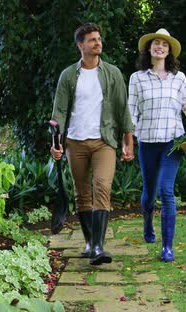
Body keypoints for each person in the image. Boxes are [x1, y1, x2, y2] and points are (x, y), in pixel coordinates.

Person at [50, 23, 134, 265]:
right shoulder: (68, 75)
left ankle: (98, 246)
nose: (98, 43)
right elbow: (59, 113)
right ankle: (89, 243)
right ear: (80, 45)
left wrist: (128, 142)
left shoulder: (113, 73)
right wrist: (55, 142)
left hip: (104, 141)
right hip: (75, 142)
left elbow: (122, 110)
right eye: (92, 40)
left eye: (99, 39)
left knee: (102, 187)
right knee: (82, 193)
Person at [128, 28, 186, 262]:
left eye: (164, 45)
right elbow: (131, 111)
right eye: (156, 43)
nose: (160, 47)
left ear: (169, 52)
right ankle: (148, 222)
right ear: (149, 49)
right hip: (147, 142)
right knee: (149, 194)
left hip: (173, 143)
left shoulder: (179, 78)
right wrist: (128, 139)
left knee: (166, 190)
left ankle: (167, 247)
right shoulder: (137, 78)